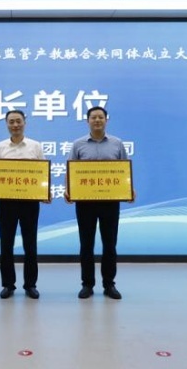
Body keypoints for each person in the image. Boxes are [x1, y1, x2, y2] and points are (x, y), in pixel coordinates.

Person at [65, 106, 134, 300]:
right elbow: (70, 171)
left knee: (109, 244)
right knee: (86, 244)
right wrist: (68, 190)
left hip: (110, 202)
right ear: (87, 121)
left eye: (100, 117)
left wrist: (129, 189)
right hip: (85, 203)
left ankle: (109, 284)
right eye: (93, 117)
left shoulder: (117, 143)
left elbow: (124, 171)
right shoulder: (78, 144)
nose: (97, 120)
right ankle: (87, 284)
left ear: (106, 120)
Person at [0, 110, 45, 300]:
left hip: (30, 203)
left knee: (30, 245)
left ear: (24, 123)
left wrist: (44, 192)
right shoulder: (0, 148)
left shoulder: (35, 146)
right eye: (11, 122)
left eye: (18, 121)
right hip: (6, 203)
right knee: (6, 245)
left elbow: (42, 174)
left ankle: (30, 285)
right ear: (7, 124)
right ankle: (8, 285)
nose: (15, 125)